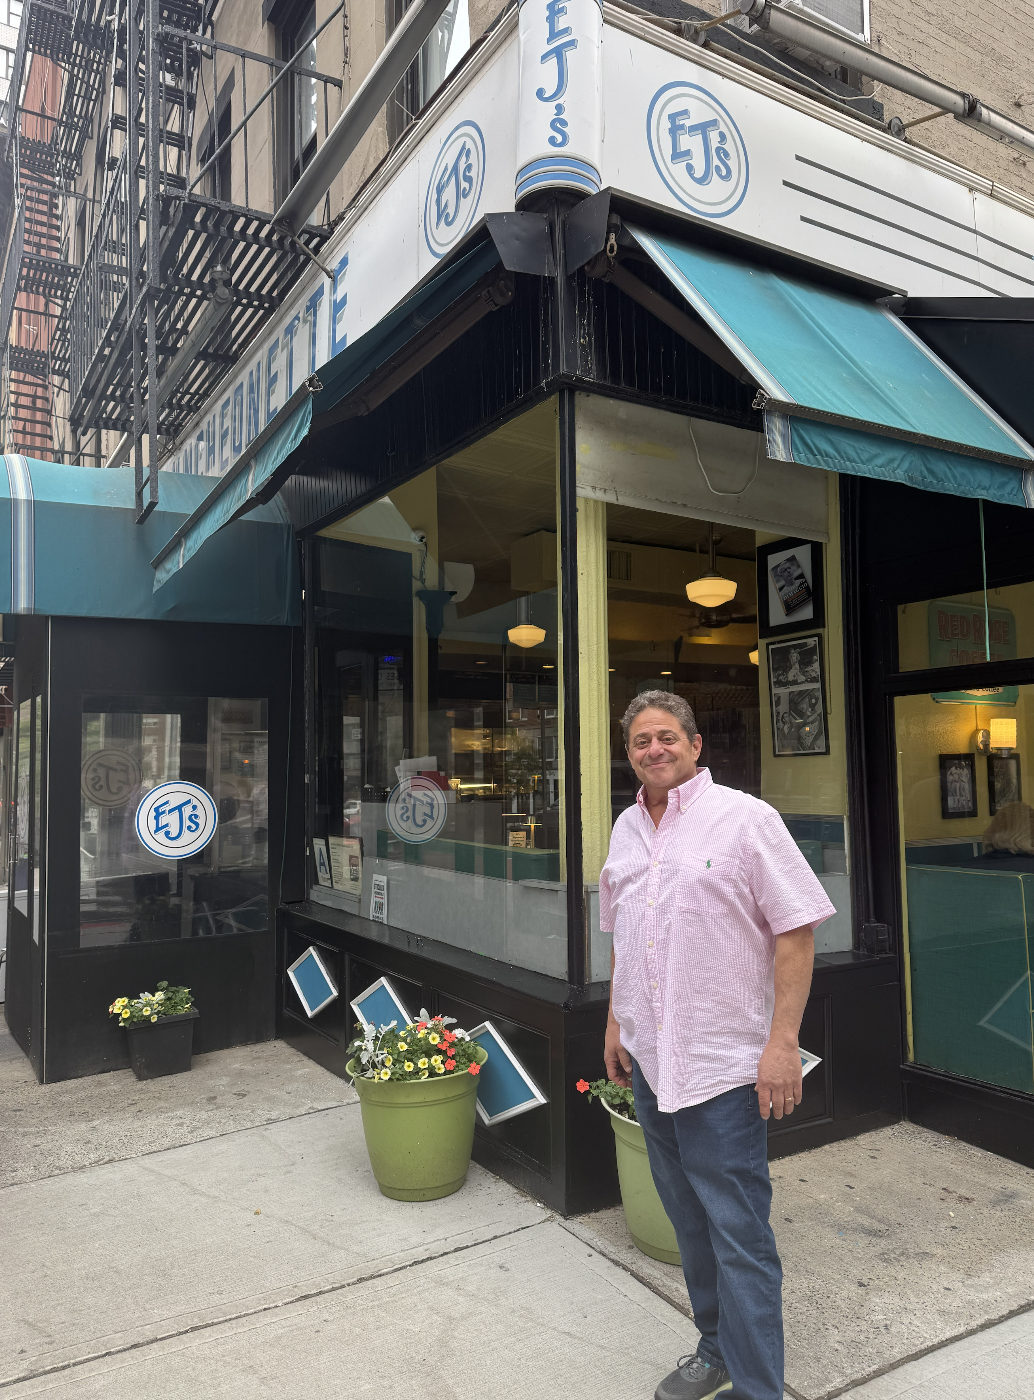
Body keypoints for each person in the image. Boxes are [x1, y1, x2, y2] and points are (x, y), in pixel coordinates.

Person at [599, 691, 835, 1400]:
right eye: (641, 741)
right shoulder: (626, 828)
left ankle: (760, 1388)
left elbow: (796, 931)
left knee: (739, 1234)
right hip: (652, 1061)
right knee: (688, 1220)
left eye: (667, 736)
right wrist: (615, 1022)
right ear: (630, 754)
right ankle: (715, 1348)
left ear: (696, 745)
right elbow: (625, 935)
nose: (655, 749)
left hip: (723, 1069)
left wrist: (782, 1043)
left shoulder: (746, 819)